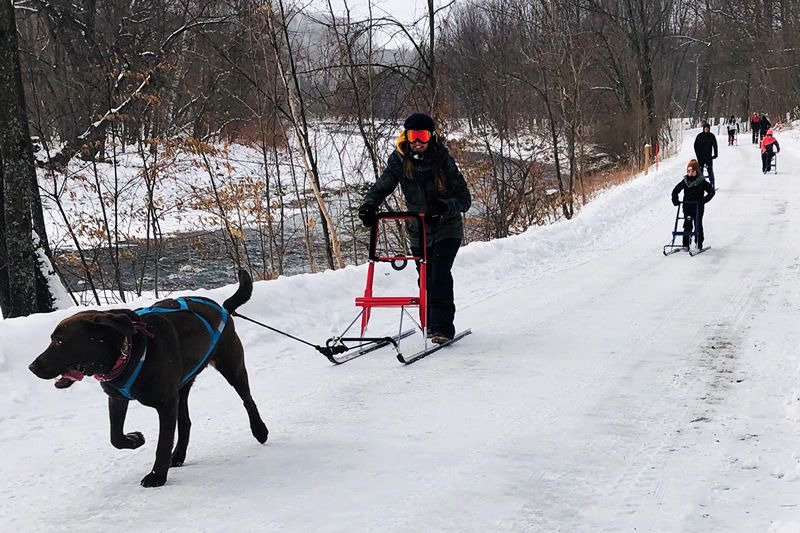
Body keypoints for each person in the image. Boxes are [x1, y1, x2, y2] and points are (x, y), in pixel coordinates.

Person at [358, 112, 471, 344]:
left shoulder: (442, 160)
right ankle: (430, 322)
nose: (417, 142)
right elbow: (382, 187)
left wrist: (443, 207)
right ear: (406, 137)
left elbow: (464, 198)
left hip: (447, 228)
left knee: (439, 275)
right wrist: (369, 206)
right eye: (413, 136)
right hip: (418, 231)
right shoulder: (399, 160)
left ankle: (441, 328)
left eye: (422, 136)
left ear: (431, 137)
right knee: (425, 279)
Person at [671, 159, 715, 250]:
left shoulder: (701, 181)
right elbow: (675, 191)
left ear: (697, 171)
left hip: (698, 206)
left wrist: (703, 200)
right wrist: (675, 200)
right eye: (688, 171)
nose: (690, 173)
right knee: (687, 223)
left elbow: (711, 192)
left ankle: (699, 243)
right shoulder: (685, 181)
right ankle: (686, 244)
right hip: (687, 206)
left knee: (698, 224)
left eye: (692, 171)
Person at [693, 122, 718, 188]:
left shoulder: (711, 136)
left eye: (707, 129)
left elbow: (715, 145)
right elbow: (695, 146)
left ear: (709, 129)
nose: (706, 130)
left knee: (710, 169)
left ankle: (712, 183)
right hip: (701, 156)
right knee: (700, 171)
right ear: (703, 129)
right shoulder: (699, 136)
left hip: (708, 156)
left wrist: (715, 154)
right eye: (705, 128)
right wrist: (698, 155)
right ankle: (700, 184)